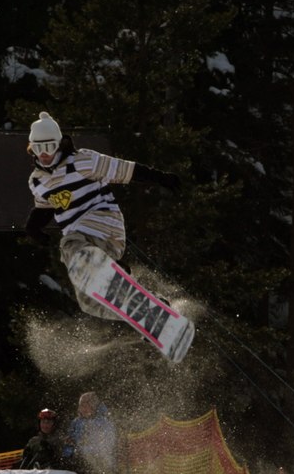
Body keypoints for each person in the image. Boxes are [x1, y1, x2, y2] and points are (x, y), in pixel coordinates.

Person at [24, 111, 181, 323]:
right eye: (38, 148)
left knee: (69, 243)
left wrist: (161, 178)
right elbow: (45, 208)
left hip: (103, 226)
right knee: (89, 302)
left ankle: (107, 267)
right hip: (81, 244)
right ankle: (147, 312)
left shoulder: (83, 161)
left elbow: (124, 169)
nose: (44, 154)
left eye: (49, 147)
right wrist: (34, 229)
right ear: (31, 147)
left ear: (59, 144)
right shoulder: (37, 181)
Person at [62, 391, 118, 474]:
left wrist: (84, 449)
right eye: (81, 404)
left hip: (99, 461)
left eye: (86, 404)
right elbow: (70, 441)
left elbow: (107, 444)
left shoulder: (103, 422)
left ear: (93, 406)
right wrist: (68, 453)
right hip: (79, 461)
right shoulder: (76, 422)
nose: (82, 408)